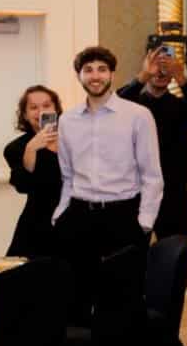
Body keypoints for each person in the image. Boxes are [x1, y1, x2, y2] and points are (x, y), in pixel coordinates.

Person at [54, 46, 162, 325]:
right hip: (78, 216)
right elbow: (67, 176)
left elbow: (152, 175)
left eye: (102, 69)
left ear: (112, 74)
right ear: (79, 76)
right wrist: (60, 214)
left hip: (123, 216)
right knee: (75, 299)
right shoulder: (67, 121)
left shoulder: (138, 115)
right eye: (88, 70)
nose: (95, 76)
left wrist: (144, 223)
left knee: (122, 300)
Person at [119, 43, 187, 238]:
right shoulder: (131, 105)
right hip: (135, 191)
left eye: (165, 66)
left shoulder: (181, 107)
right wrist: (143, 76)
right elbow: (112, 107)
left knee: (175, 254)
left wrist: (181, 78)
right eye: (155, 65)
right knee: (132, 256)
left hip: (174, 191)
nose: (160, 72)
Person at [4, 85, 64, 258]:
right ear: (24, 114)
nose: (40, 112)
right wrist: (31, 149)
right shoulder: (16, 148)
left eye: (46, 106)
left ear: (56, 110)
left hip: (73, 222)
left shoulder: (73, 138)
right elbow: (23, 185)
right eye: (33, 107)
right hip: (37, 224)